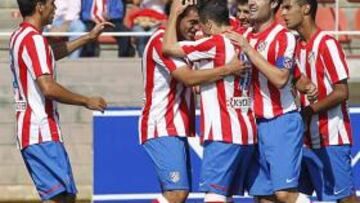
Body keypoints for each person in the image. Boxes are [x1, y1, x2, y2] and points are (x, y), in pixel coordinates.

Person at [139, 1, 249, 202]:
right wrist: (227, 70)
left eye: (199, 22)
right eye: (191, 22)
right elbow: (188, 78)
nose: (196, 27)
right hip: (161, 124)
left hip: (178, 126)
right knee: (177, 193)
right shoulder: (161, 41)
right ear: (176, 18)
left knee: (188, 192)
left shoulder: (190, 43)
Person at [10, 0, 111, 202]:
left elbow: (49, 55)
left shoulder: (20, 36)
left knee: (65, 196)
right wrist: (86, 100)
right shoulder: (34, 40)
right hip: (41, 132)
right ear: (39, 6)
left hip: (32, 132)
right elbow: (47, 87)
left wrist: (87, 38)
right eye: (51, 4)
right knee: (62, 198)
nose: (54, 8)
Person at [224, 0, 316, 202]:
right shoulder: (244, 36)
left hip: (280, 121)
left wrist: (248, 49)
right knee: (264, 196)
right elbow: (296, 77)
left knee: (285, 193)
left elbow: (281, 79)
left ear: (274, 3)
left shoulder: (284, 37)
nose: (252, 3)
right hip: (251, 126)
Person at [281, 0, 359, 202]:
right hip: (302, 140)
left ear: (305, 8)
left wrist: (309, 111)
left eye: (288, 7)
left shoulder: (327, 43)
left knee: (344, 198)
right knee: (289, 195)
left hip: (330, 138)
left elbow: (342, 92)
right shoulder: (294, 46)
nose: (283, 13)